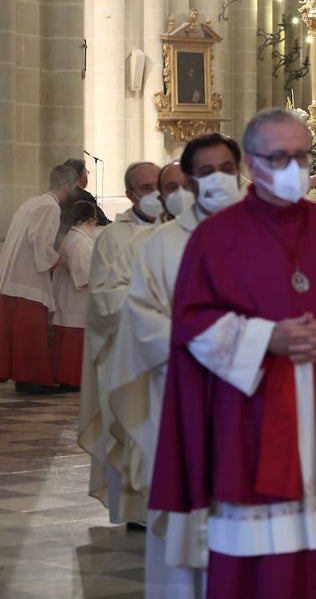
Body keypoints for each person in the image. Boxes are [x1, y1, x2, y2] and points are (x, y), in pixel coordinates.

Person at [149, 109, 316, 599]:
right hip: (251, 414)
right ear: (254, 163)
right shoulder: (215, 237)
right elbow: (193, 318)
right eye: (280, 157)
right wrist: (266, 339)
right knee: (255, 558)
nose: (293, 167)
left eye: (302, 156)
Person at [111, 134, 241, 597]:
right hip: (182, 402)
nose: (217, 181)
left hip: (252, 406)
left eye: (227, 169)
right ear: (187, 181)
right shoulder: (158, 246)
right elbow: (140, 322)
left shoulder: (264, 236)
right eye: (204, 173)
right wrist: (209, 346)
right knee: (184, 543)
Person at [78, 160, 162, 522]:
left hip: (167, 354)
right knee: (130, 429)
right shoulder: (114, 237)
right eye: (147, 189)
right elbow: (103, 298)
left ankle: (167, 507)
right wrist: (152, 308)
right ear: (130, 195)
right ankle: (134, 511)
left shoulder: (179, 230)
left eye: (160, 185)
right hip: (127, 353)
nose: (156, 194)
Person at [0, 163, 78, 392]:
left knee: (19, 333)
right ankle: (31, 379)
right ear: (65, 187)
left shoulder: (31, 202)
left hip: (13, 277)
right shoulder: (49, 206)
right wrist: (59, 260)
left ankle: (25, 378)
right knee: (30, 333)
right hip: (28, 280)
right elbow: (40, 242)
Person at [50, 200, 99, 389]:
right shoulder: (79, 241)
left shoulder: (74, 237)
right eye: (94, 221)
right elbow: (85, 277)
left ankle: (69, 379)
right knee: (72, 346)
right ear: (89, 220)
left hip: (70, 301)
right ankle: (71, 380)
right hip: (75, 302)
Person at [58, 157, 110, 247]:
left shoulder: (61, 194)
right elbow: (102, 221)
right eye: (86, 172)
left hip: (63, 242)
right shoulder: (84, 197)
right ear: (82, 177)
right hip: (80, 243)